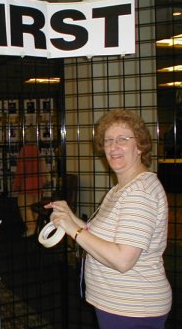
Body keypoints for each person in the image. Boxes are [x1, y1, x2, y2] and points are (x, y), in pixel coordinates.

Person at [45, 109, 172, 328]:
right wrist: (70, 217)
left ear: (140, 145)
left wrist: (73, 231)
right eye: (108, 140)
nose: (114, 147)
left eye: (123, 139)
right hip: (118, 305)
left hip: (133, 309)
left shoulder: (140, 192)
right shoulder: (121, 189)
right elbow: (100, 236)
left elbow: (123, 260)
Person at [13, 125, 49, 237]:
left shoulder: (24, 150)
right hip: (38, 183)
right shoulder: (37, 150)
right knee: (35, 207)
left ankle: (31, 228)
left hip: (26, 184)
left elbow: (20, 170)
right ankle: (37, 227)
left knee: (24, 206)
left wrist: (16, 184)